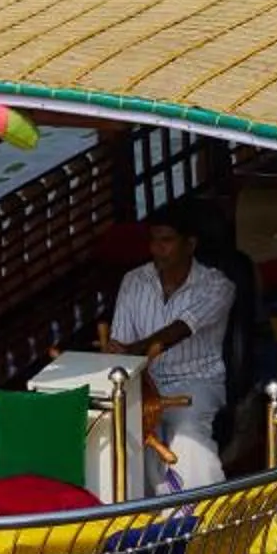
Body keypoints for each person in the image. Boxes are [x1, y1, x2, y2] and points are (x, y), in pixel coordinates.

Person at [109, 206, 235, 490]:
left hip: (196, 382)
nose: (157, 249)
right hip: (143, 383)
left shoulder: (217, 286)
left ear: (190, 244)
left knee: (188, 437)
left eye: (166, 241)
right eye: (153, 240)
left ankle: (197, 519)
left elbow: (181, 328)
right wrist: (122, 354)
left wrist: (134, 350)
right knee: (119, 435)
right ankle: (133, 517)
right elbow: (122, 347)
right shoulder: (133, 281)